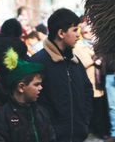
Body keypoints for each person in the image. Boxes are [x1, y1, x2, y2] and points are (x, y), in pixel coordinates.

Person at [30, 8, 93, 142]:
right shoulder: (38, 62)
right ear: (61, 33)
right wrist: (46, 127)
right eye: (75, 30)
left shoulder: (75, 62)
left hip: (77, 135)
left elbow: (87, 90)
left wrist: (84, 122)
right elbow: (31, 101)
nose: (78, 35)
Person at [0, 48, 55, 142]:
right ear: (21, 87)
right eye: (36, 84)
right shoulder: (2, 118)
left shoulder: (41, 112)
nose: (40, 88)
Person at [73, 23, 109, 139]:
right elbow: (81, 61)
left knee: (100, 107)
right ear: (81, 34)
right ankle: (93, 129)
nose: (89, 34)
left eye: (91, 31)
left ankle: (100, 129)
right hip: (88, 79)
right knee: (91, 106)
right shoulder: (78, 45)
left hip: (100, 80)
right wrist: (94, 60)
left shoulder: (97, 43)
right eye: (85, 32)